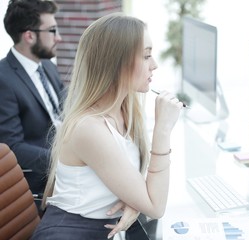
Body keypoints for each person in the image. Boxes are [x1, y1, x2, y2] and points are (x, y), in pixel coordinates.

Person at [31, 13, 182, 239]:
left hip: (104, 230)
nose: (154, 65)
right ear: (116, 63)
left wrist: (137, 201)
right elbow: (156, 206)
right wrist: (163, 130)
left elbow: (143, 189)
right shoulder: (89, 128)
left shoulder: (125, 108)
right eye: (146, 56)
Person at [0, 0, 65, 198]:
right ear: (29, 36)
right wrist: (64, 161)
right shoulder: (3, 79)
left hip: (68, 164)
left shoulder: (48, 66)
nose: (59, 38)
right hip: (41, 183)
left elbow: (65, 111)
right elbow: (12, 146)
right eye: (52, 30)